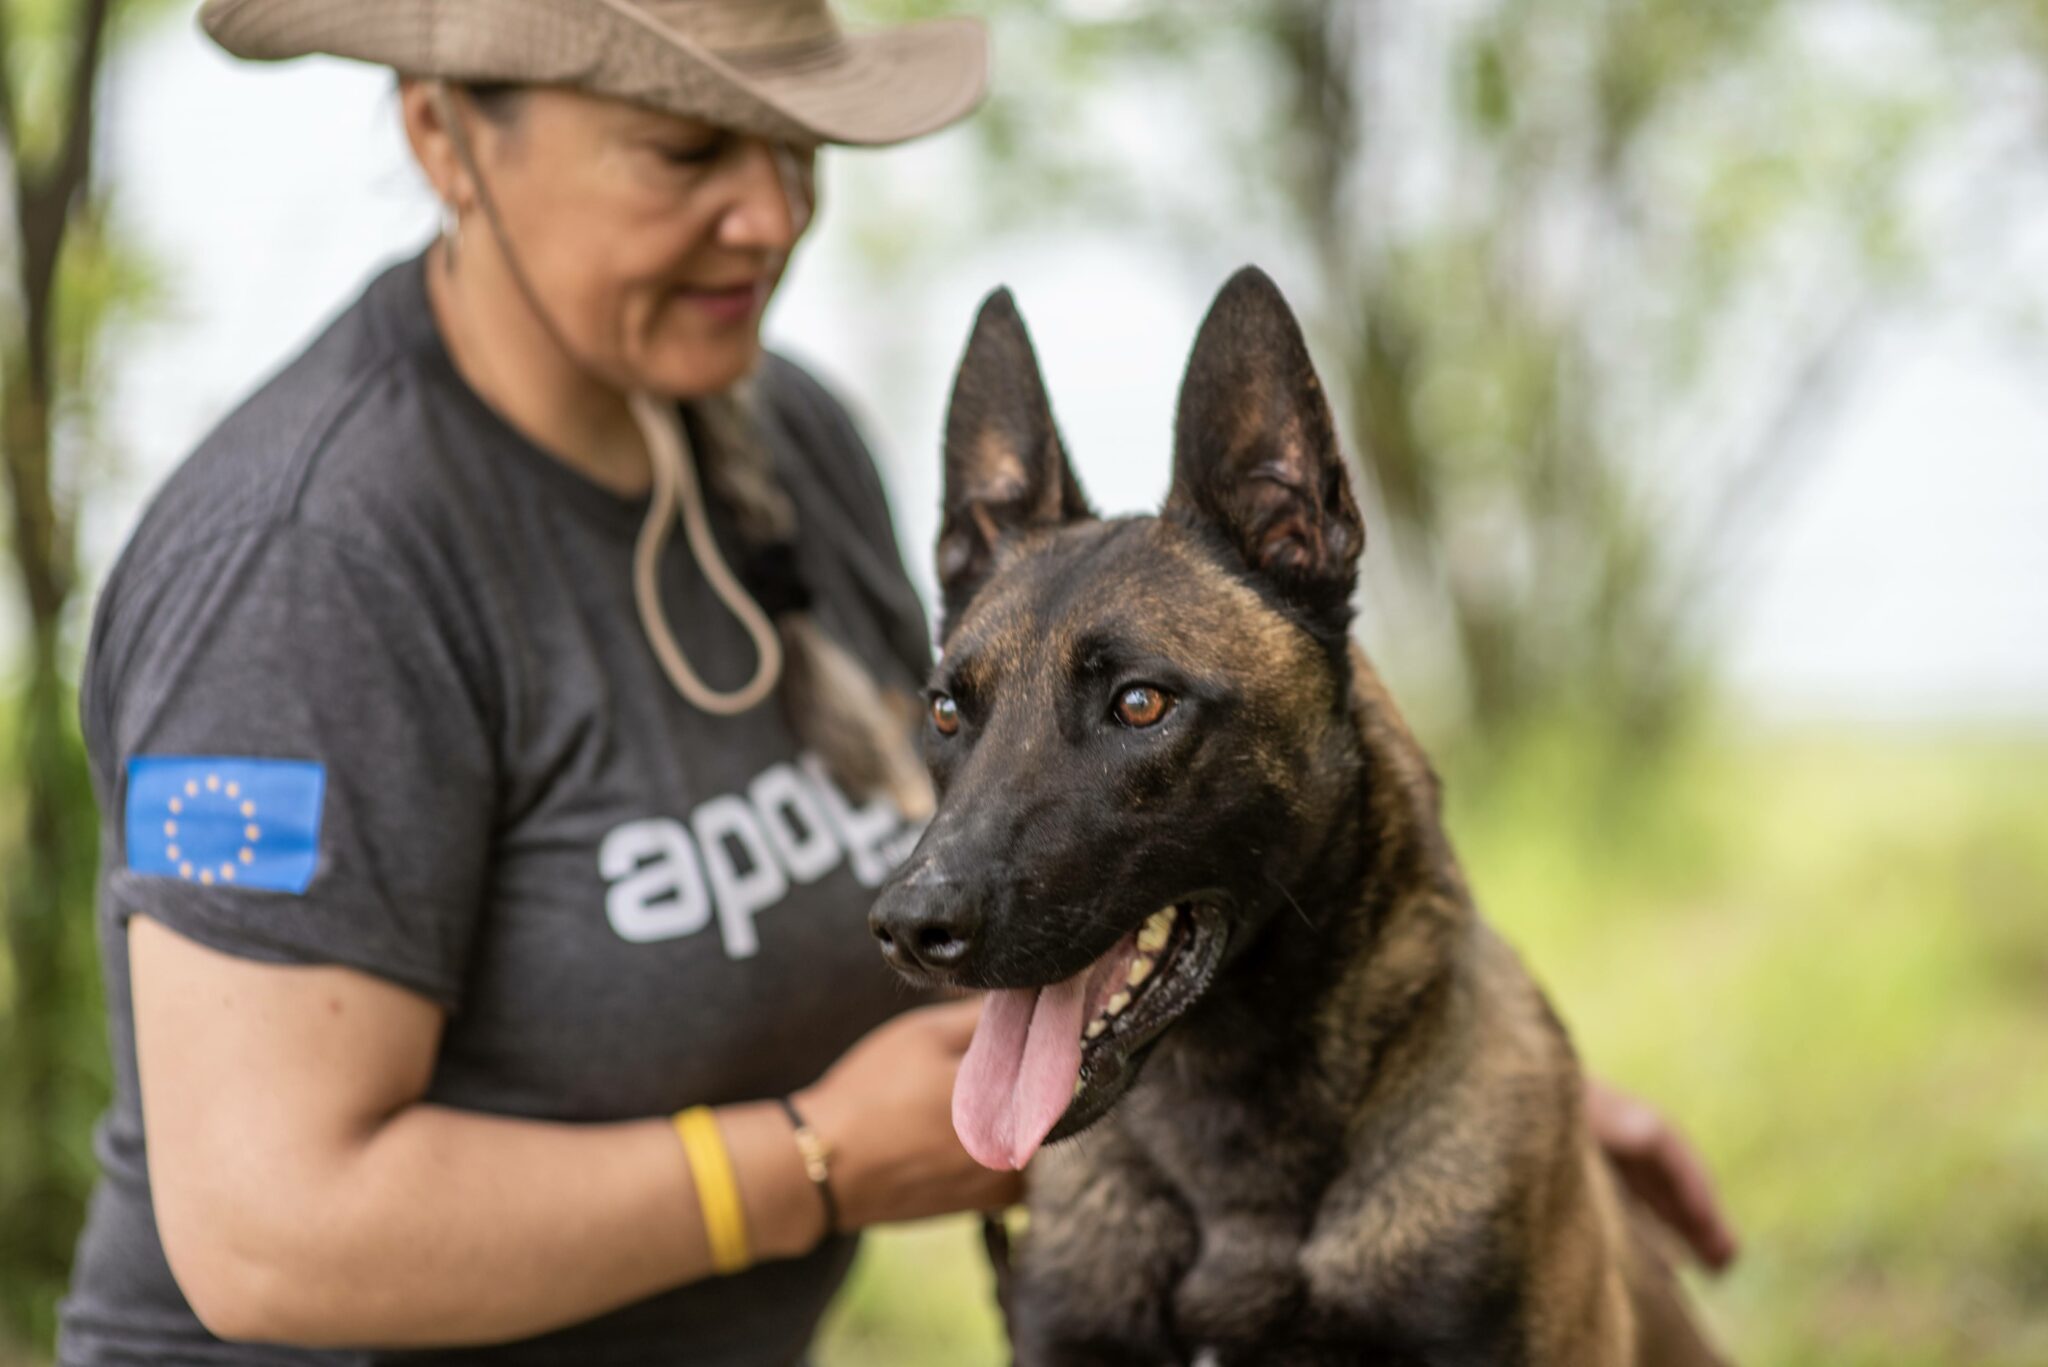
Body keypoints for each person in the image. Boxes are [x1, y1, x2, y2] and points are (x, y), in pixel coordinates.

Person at [57, 1, 1734, 1363]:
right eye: (688, 147)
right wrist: (816, 1165)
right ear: (444, 136)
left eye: (798, 144)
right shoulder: (311, 562)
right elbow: (267, 1242)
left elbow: (1051, 821)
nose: (773, 214)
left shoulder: (768, 430)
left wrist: (1475, 1077)